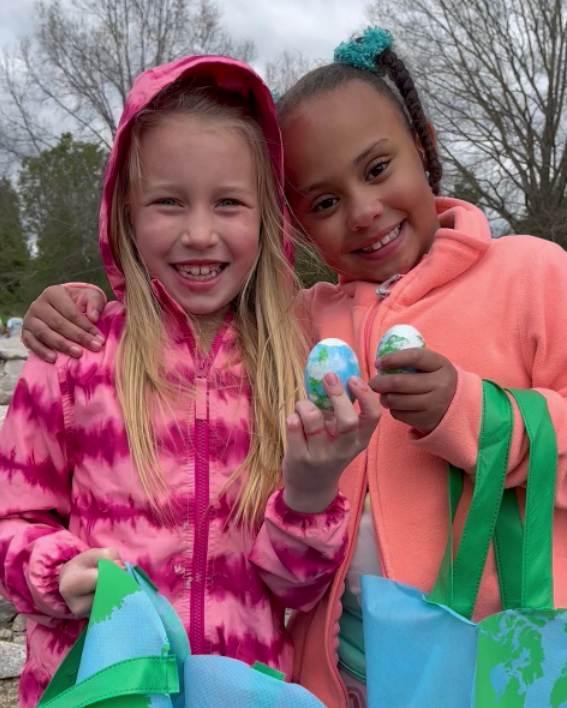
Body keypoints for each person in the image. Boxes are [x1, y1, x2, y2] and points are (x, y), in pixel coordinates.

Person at [18, 27, 567, 708]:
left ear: (422, 144)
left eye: (375, 170)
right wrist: (67, 303)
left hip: (488, 659)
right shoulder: (295, 327)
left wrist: (472, 416)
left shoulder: (530, 277)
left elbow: (292, 572)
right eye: (324, 203)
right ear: (296, 223)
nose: (362, 213)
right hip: (289, 680)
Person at [0, 54, 381, 708]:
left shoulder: (295, 365)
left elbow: (296, 589)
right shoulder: (73, 354)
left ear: (266, 217)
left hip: (244, 692)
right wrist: (53, 570)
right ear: (125, 211)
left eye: (228, 203)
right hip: (100, 689)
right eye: (168, 202)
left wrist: (311, 488)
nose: (198, 234)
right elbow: (12, 519)